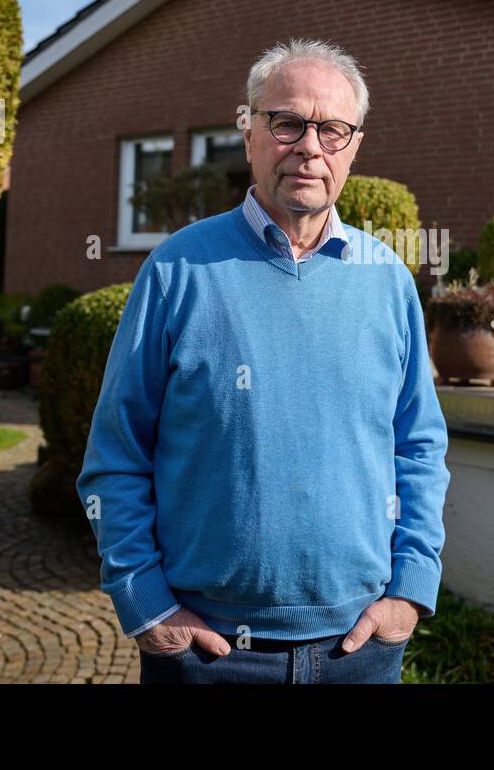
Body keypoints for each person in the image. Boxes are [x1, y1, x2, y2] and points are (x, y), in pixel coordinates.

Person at [76, 38, 451, 683]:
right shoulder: (176, 270)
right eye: (287, 123)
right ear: (248, 130)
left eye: (333, 129)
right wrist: (144, 603)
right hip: (206, 653)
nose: (310, 146)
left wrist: (410, 592)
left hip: (359, 651)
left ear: (354, 145)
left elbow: (418, 446)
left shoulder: (387, 279)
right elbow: (116, 455)